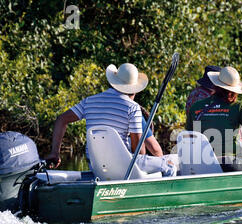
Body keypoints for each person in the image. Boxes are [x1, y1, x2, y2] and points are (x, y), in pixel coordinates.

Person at [45, 63, 176, 176]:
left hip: (95, 166)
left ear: (114, 82)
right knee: (169, 165)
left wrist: (55, 153)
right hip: (124, 167)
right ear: (135, 90)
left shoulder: (89, 101)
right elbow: (137, 152)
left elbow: (61, 120)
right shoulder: (133, 108)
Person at [185, 66, 242, 169]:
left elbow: (187, 138)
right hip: (228, 164)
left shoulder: (196, 106)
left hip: (201, 165)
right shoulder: (238, 107)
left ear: (215, 85)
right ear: (235, 91)